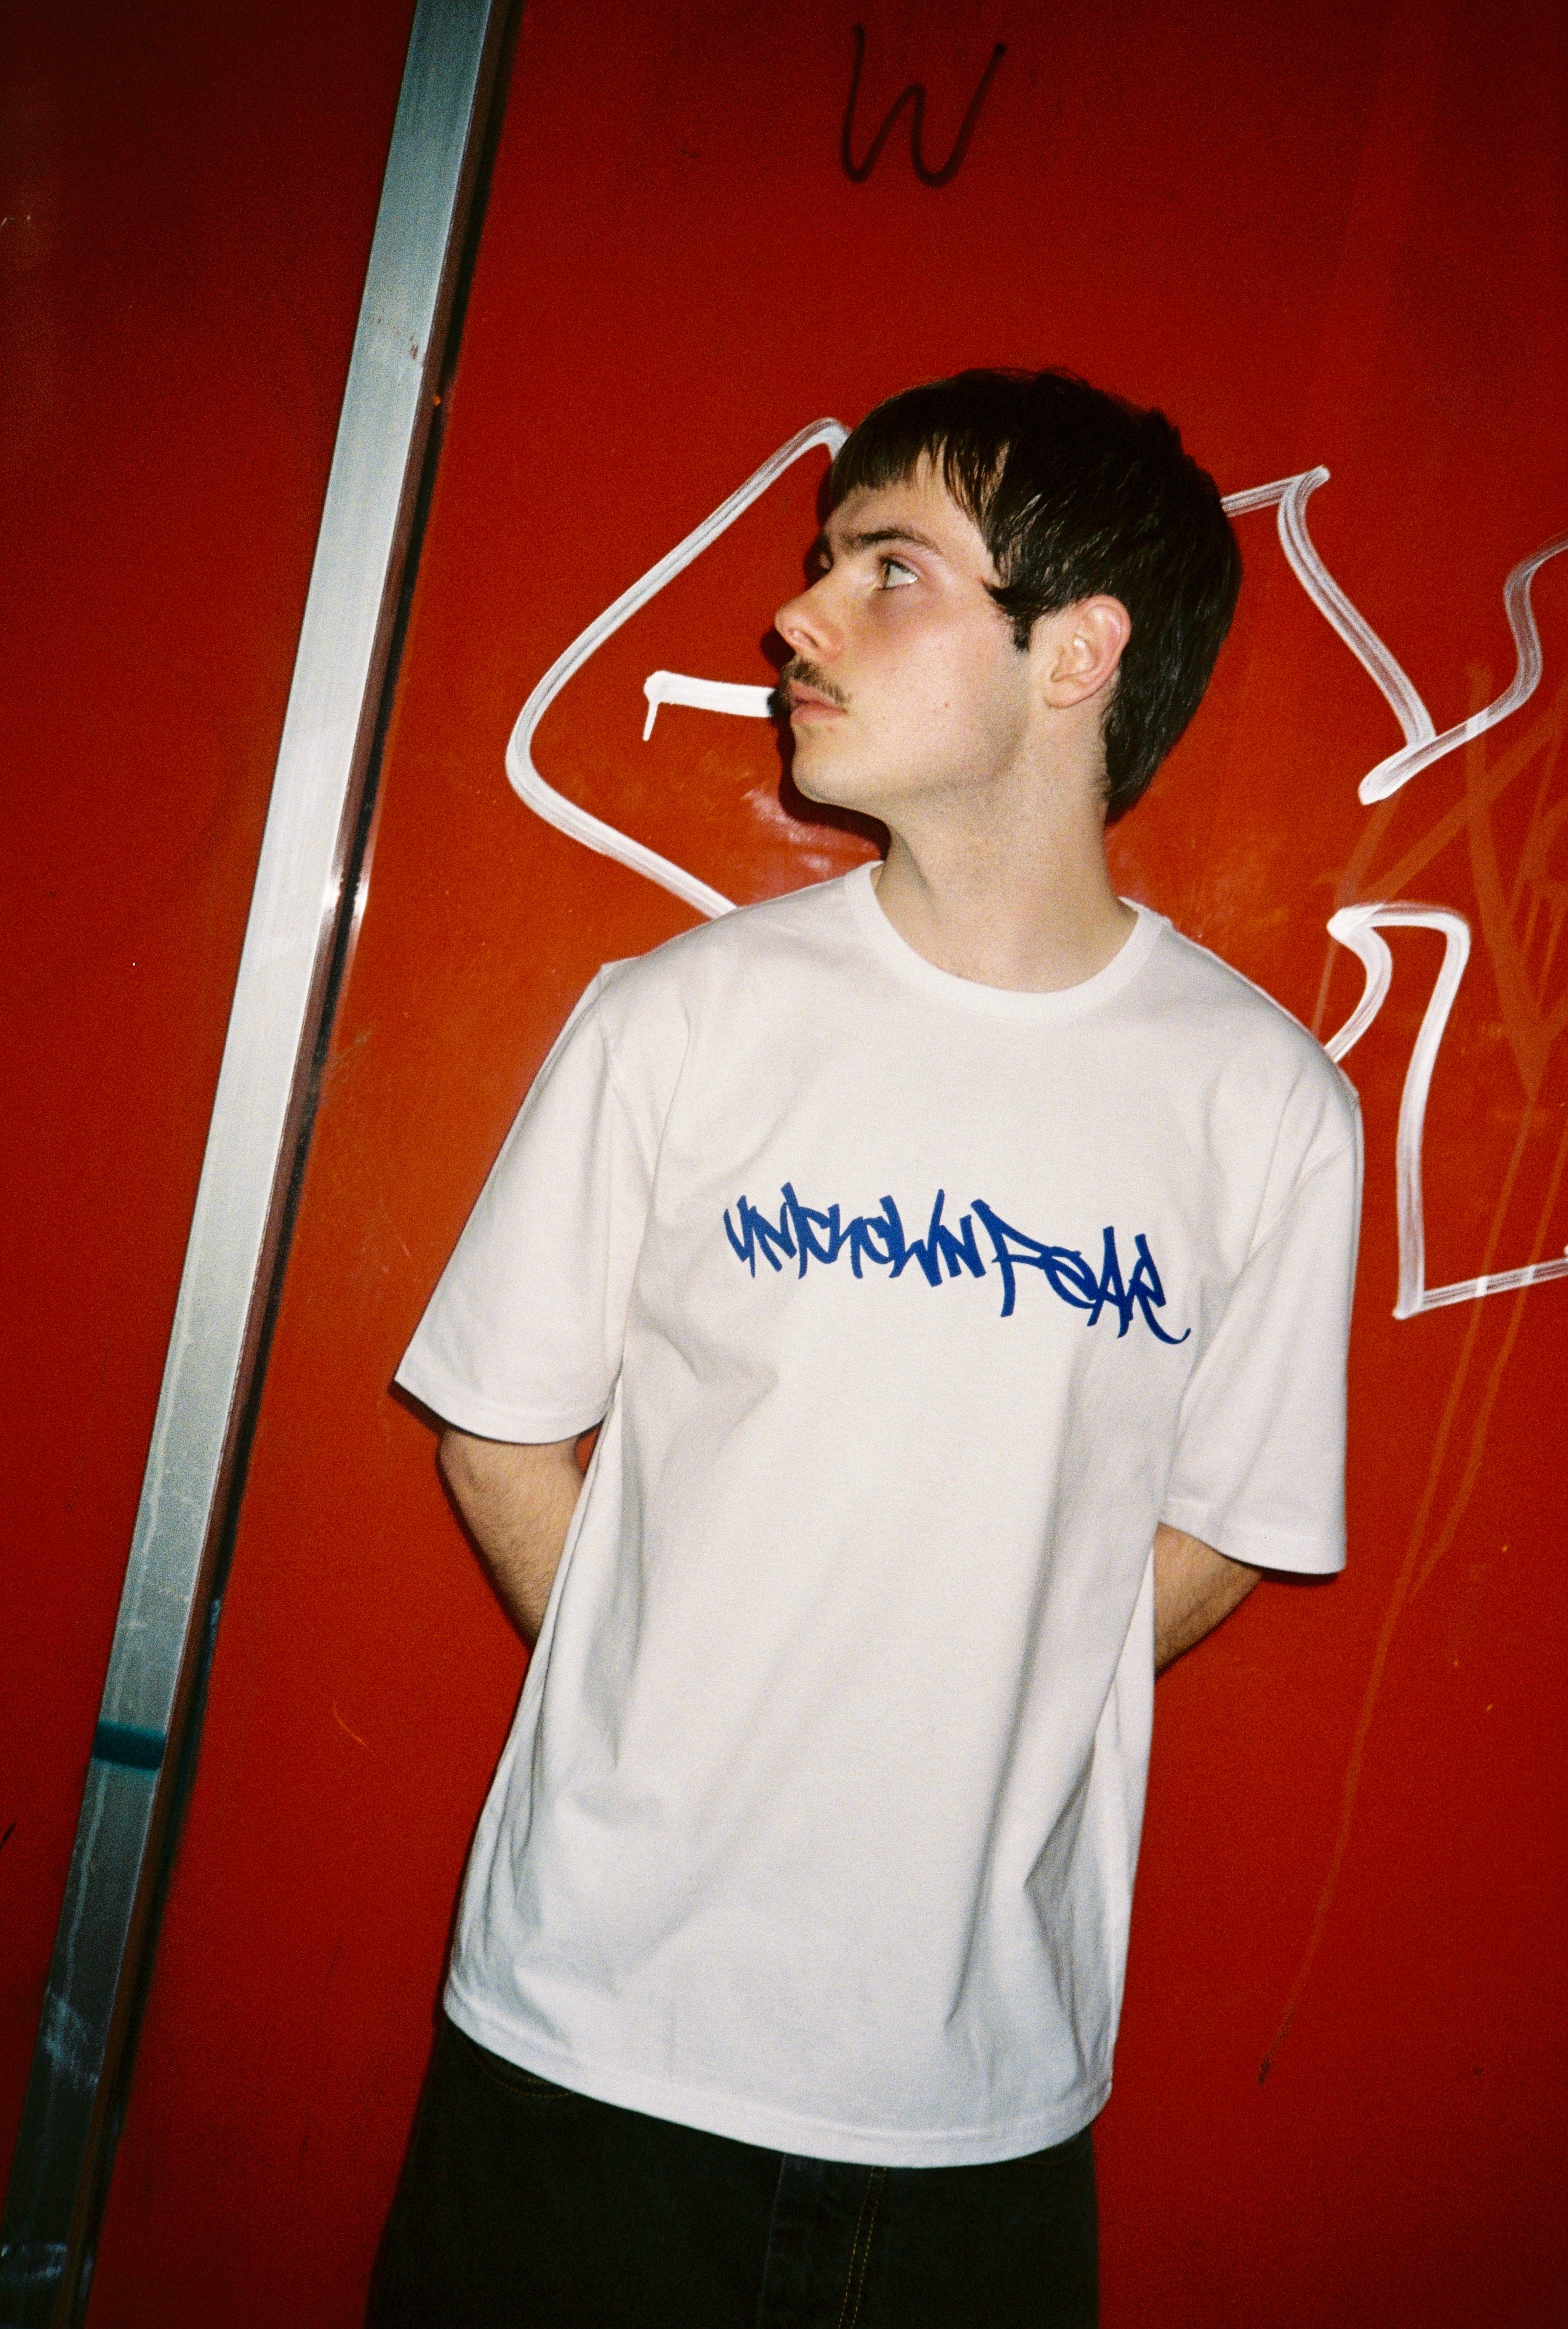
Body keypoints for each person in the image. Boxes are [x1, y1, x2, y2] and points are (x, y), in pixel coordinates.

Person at [371, 368, 1361, 2328]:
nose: (795, 614)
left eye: (887, 567)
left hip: (972, 2101)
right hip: (588, 2046)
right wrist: (682, 1699)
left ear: (1077, 652)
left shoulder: (1262, 1107)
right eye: (823, 563)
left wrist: (963, 1706)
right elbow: (497, 1430)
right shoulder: (678, 1019)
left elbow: (1230, 1519)